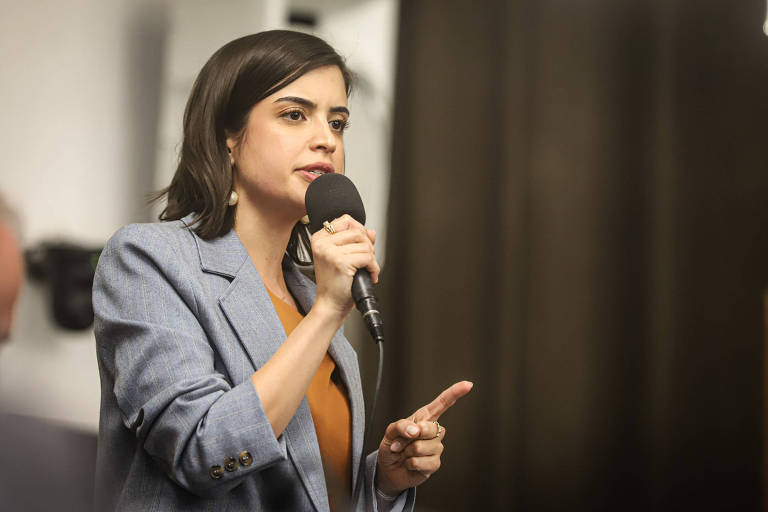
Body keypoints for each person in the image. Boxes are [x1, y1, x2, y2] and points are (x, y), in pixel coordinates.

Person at [93, 30, 472, 511]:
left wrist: (383, 482)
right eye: (295, 115)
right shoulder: (148, 259)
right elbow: (199, 452)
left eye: (337, 123)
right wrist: (327, 313)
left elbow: (316, 491)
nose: (325, 140)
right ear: (228, 137)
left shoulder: (313, 299)